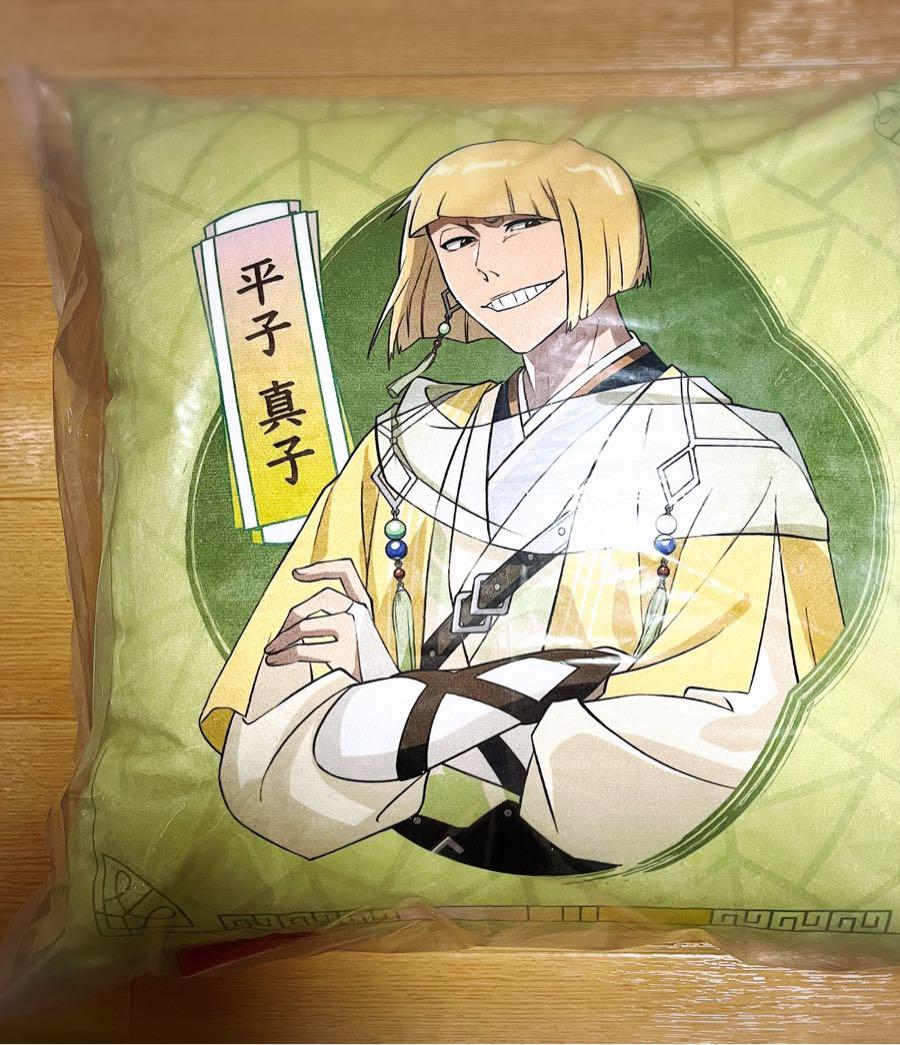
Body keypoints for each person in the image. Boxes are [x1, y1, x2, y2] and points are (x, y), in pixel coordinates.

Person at [200, 138, 845, 874]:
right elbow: (268, 744)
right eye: (458, 241)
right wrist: (481, 703)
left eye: (522, 227)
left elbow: (721, 737)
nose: (488, 267)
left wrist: (396, 706)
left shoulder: (726, 454)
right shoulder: (403, 448)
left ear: (601, 232)